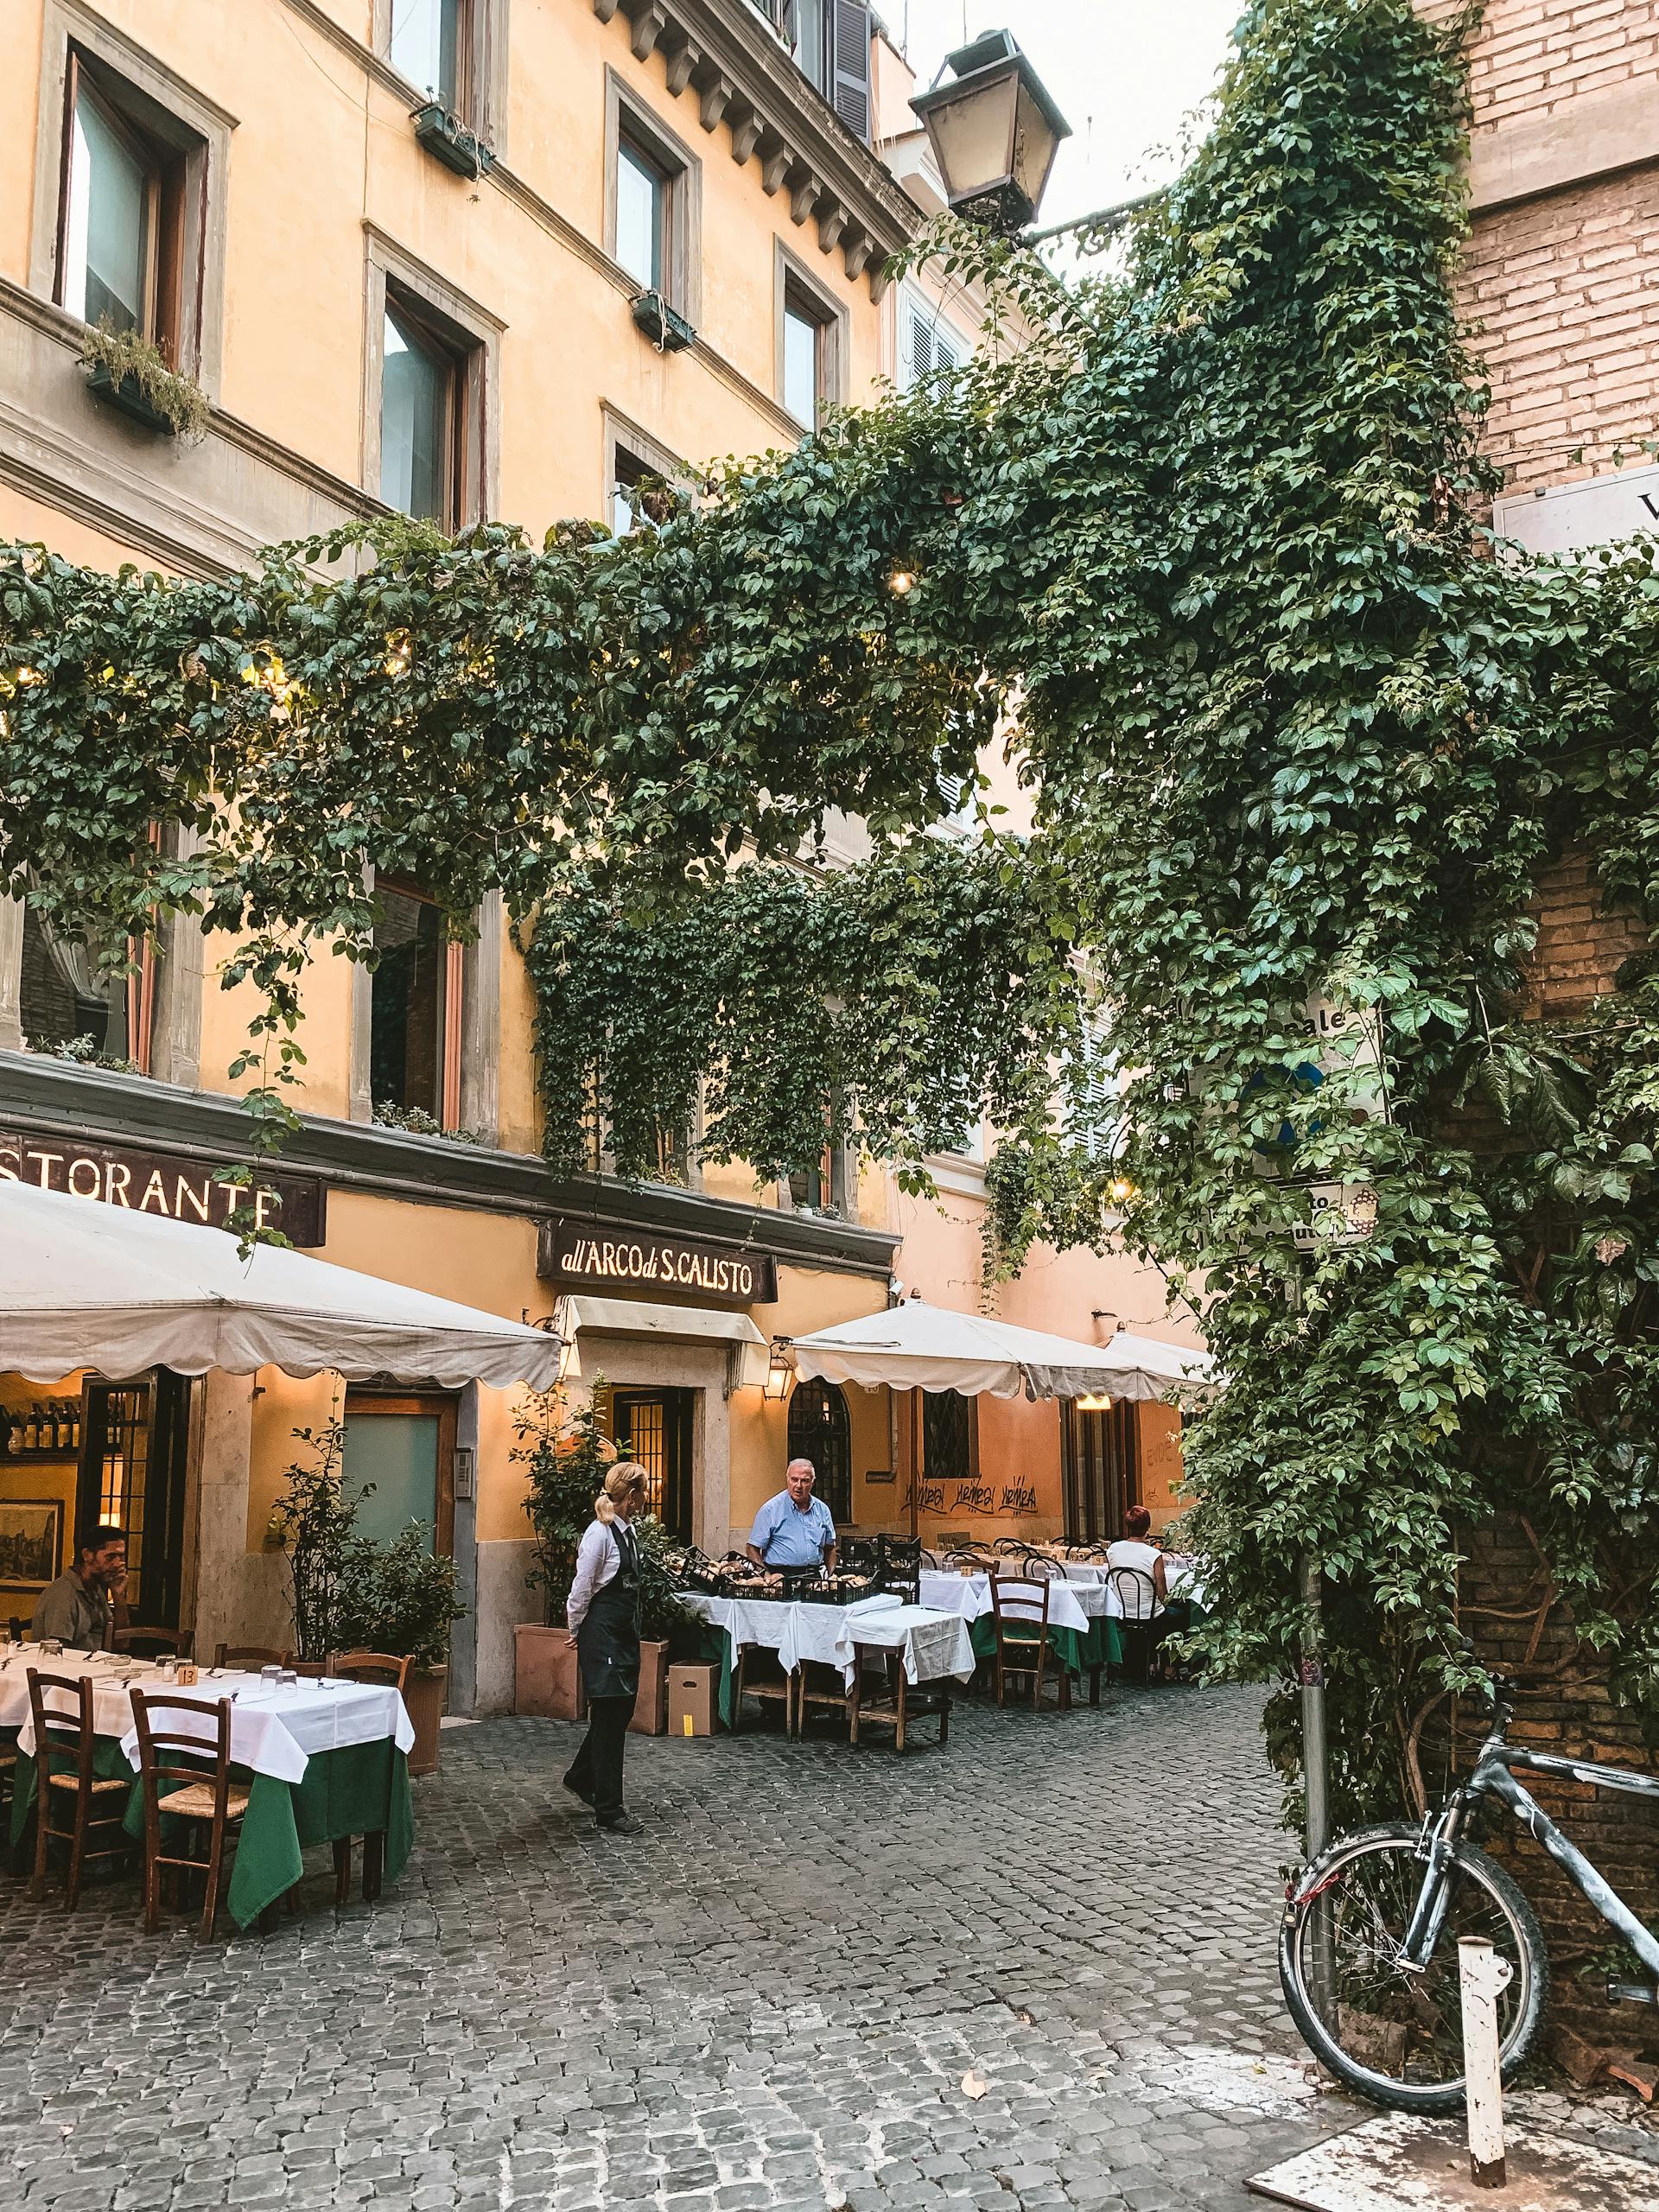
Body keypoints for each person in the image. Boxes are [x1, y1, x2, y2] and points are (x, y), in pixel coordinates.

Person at [564, 1462, 649, 1834]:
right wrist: (575, 1626)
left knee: (616, 1715)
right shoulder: (599, 1534)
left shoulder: (626, 1531)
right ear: (632, 1497)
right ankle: (609, 1809)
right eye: (643, 1492)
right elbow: (582, 1586)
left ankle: (583, 1777)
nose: (646, 1498)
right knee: (612, 1718)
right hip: (602, 1635)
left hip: (623, 1632)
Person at [33, 1524, 127, 1649]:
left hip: (99, 1662)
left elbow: (121, 1644)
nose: (118, 1563)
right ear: (87, 1555)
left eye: (121, 1556)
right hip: (73, 1667)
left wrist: (118, 1597)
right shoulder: (64, 1595)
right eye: (110, 1557)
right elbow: (54, 1653)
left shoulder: (94, 1588)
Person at [747, 1458, 836, 1573]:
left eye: (804, 1481)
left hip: (814, 1576)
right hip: (780, 1577)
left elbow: (830, 1548)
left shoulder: (822, 1510)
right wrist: (765, 1575)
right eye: (794, 1480)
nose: (798, 1486)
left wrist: (831, 1576)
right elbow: (752, 1548)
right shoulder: (770, 1509)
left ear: (812, 1482)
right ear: (787, 1479)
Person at [1104, 1505, 1166, 1619]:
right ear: (1148, 1527)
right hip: (1149, 1613)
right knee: (1180, 1614)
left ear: (1128, 1526)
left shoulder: (1113, 1549)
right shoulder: (1154, 1554)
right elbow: (1162, 1593)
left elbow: (1114, 1578)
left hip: (1120, 1611)